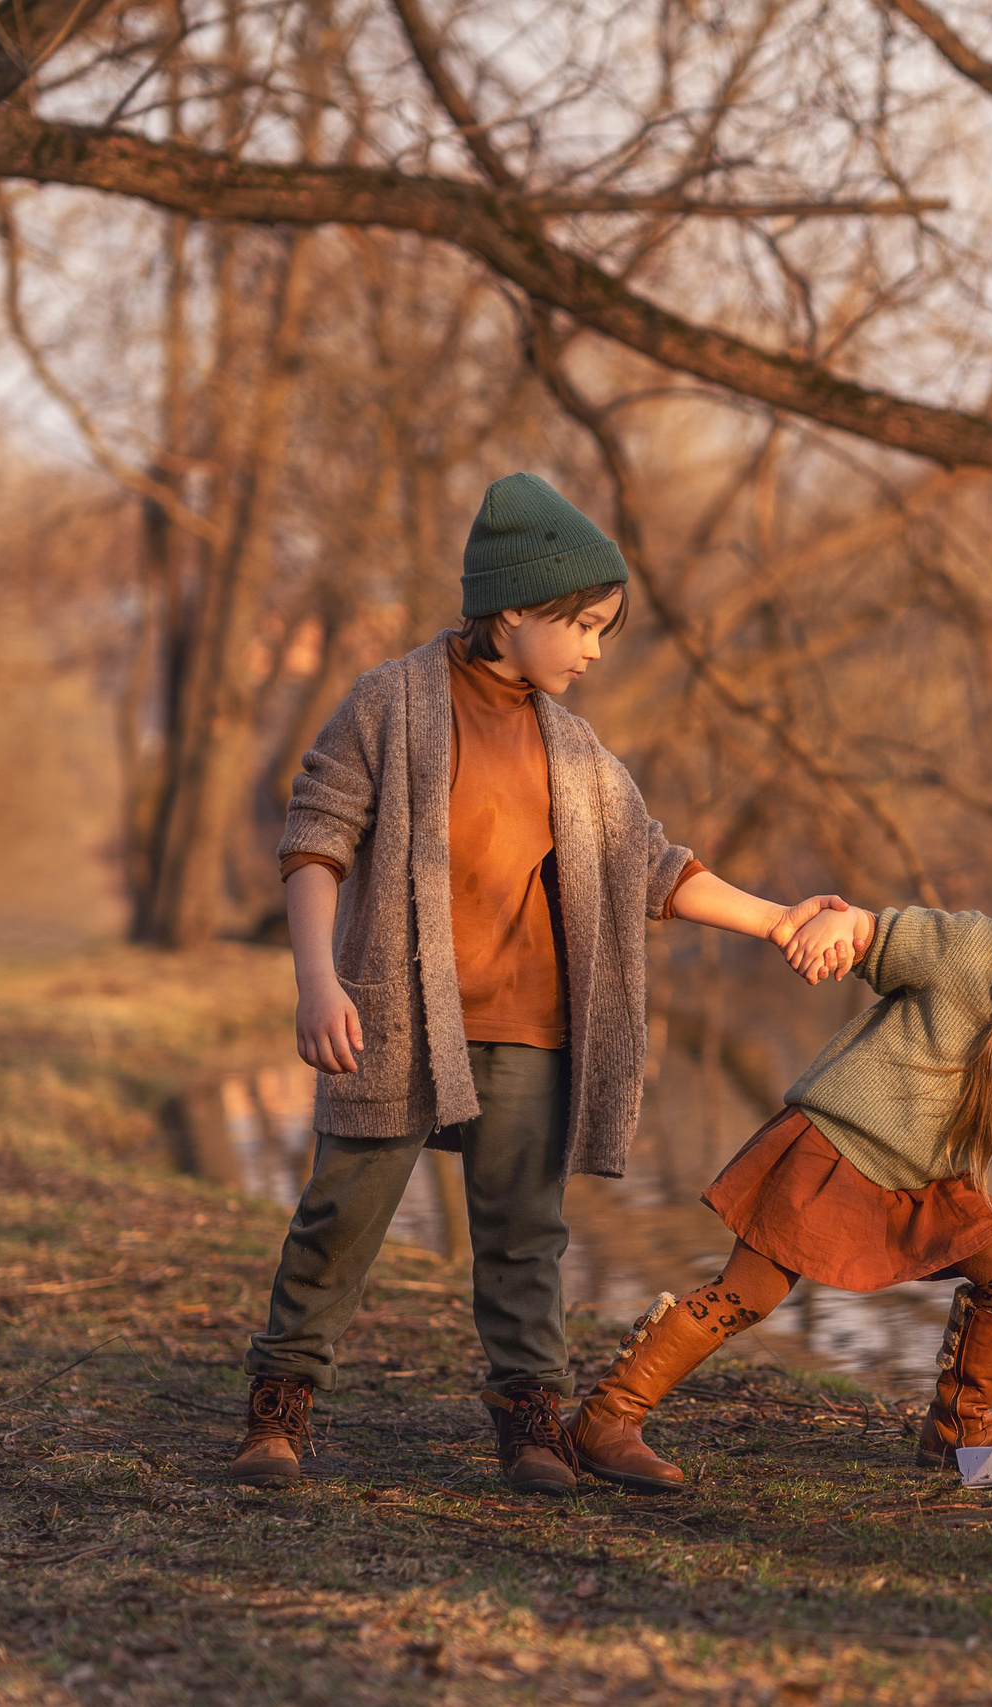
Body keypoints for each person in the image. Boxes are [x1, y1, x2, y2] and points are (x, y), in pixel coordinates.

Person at [230, 470, 850, 1495]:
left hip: (533, 1028)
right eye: (586, 628)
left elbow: (657, 868)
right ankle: (279, 1408)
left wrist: (779, 918)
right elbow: (315, 840)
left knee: (523, 1231)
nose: (596, 652)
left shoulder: (574, 748)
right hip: (391, 1015)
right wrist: (316, 983)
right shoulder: (389, 704)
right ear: (513, 609)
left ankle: (530, 1421)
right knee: (341, 1216)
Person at [566, 848, 992, 1492]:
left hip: (930, 1185)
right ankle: (607, 1417)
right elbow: (879, 936)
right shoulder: (975, 953)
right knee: (747, 1293)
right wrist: (837, 924)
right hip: (835, 1149)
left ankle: (960, 1431)